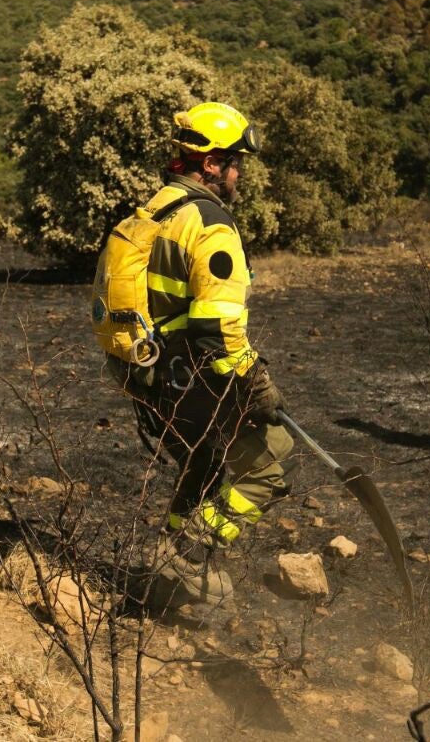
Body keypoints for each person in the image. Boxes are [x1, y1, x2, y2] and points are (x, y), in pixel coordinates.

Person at [115, 102, 295, 606]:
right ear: (211, 164)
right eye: (236, 161)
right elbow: (218, 330)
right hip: (191, 375)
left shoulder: (158, 208)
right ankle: (185, 558)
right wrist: (257, 386)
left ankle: (171, 568)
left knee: (204, 464)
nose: (240, 172)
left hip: (149, 373)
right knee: (269, 467)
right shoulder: (211, 224)